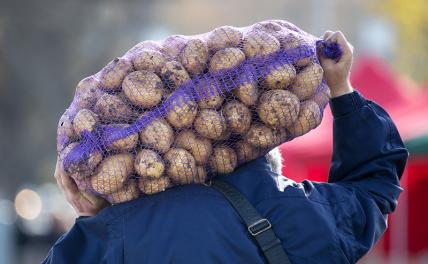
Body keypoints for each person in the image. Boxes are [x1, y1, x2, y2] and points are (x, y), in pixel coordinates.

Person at [43, 31, 408, 264]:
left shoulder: (115, 238)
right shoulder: (307, 219)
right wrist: (341, 89)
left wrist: (95, 218)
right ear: (263, 142)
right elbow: (373, 189)